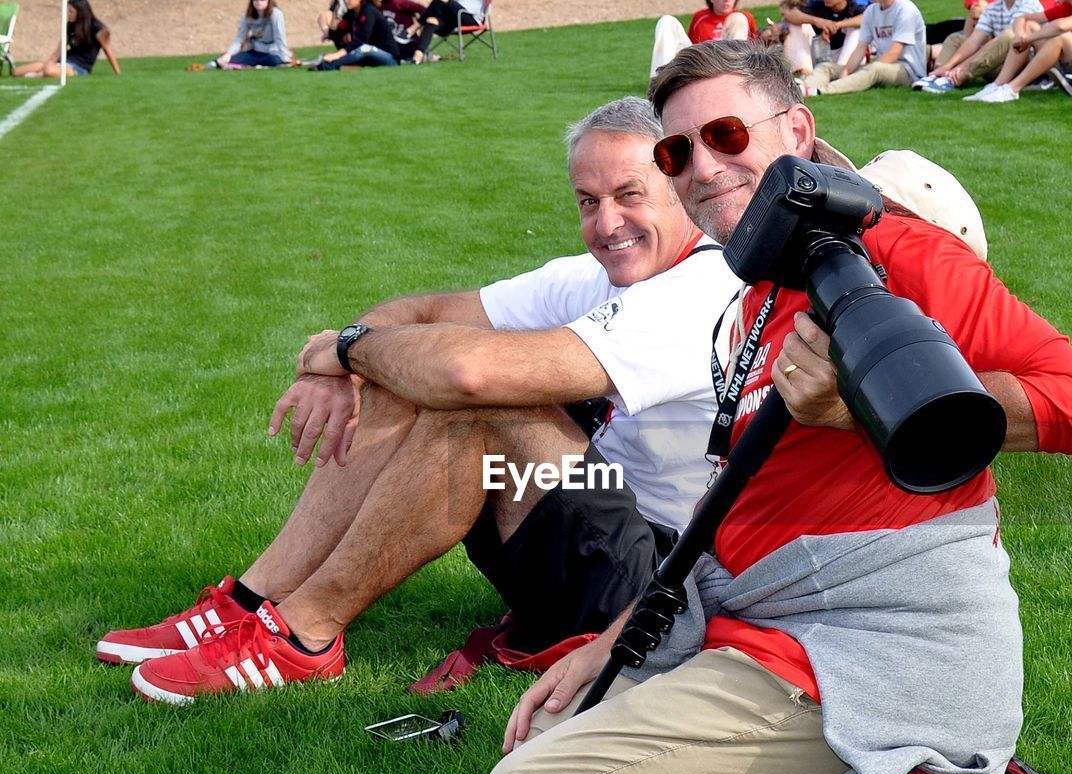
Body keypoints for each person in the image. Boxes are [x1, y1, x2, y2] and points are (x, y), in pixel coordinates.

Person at [483, 40, 1072, 774]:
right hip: (767, 628)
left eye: (728, 135)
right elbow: (741, 506)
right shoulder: (757, 292)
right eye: (678, 151)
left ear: (799, 129)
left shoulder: (900, 257)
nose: (703, 167)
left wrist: (868, 406)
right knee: (558, 726)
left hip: (866, 656)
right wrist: (619, 639)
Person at [99, 97, 747, 706]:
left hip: (657, 585)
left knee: (473, 405)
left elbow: (465, 373)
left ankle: (304, 633)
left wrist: (349, 349)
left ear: (677, 188)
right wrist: (354, 359)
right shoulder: (595, 274)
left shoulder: (703, 289)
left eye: (628, 196)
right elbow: (424, 312)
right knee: (402, 368)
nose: (606, 224)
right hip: (578, 535)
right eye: (588, 201)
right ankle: (250, 599)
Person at [965, 0, 1072, 101]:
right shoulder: (1069, 7)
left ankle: (1013, 89)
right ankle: (999, 85)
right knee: (1030, 27)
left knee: (1061, 36)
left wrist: (1027, 40)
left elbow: (1061, 26)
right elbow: (1023, 18)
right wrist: (1020, 35)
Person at [804, 0, 928, 95]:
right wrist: (846, 71)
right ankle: (803, 88)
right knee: (826, 67)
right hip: (881, 66)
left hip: (908, 71)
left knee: (875, 69)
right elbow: (860, 48)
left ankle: (821, 91)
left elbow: (894, 53)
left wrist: (864, 71)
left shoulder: (905, 9)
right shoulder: (871, 11)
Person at [915, 0, 1042, 92]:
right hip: (997, 61)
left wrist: (961, 67)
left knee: (1008, 37)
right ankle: (939, 75)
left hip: (1021, 64)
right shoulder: (994, 7)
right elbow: (974, 40)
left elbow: (1005, 39)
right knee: (956, 39)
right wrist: (948, 66)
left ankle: (955, 77)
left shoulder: (1029, 4)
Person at [15, 0, 120, 78]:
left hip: (79, 67)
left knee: (49, 70)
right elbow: (60, 49)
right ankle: (41, 73)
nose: (68, 14)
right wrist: (50, 62)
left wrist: (117, 73)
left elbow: (108, 50)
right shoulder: (70, 26)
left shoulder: (98, 29)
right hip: (63, 61)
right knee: (17, 72)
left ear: (80, 12)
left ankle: (40, 75)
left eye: (71, 11)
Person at [652, 0, 758, 78]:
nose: (727, 0)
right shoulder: (700, 17)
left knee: (738, 17)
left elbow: (754, 50)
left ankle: (735, 77)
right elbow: (692, 47)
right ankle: (659, 80)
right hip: (701, 62)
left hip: (728, 61)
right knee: (667, 20)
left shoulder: (745, 17)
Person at [781, 0, 868, 76]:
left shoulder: (853, 7)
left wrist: (837, 25)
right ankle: (805, 72)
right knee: (795, 26)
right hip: (820, 52)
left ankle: (841, 71)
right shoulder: (819, 6)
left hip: (845, 58)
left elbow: (866, 17)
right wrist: (818, 21)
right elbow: (789, 14)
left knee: (857, 29)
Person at [314, 0, 404, 68]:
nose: (347, 0)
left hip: (390, 58)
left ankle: (326, 66)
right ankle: (332, 64)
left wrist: (336, 55)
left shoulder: (369, 11)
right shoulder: (351, 14)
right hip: (367, 54)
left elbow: (361, 40)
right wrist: (335, 12)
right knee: (359, 51)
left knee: (363, 48)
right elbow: (334, 35)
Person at [217, 0, 291, 69]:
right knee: (232, 61)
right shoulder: (247, 15)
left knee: (275, 61)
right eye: (255, 0)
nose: (258, 2)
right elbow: (240, 38)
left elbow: (279, 38)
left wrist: (286, 58)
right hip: (255, 51)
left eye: (262, 0)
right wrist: (228, 54)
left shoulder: (276, 14)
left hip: (272, 52)